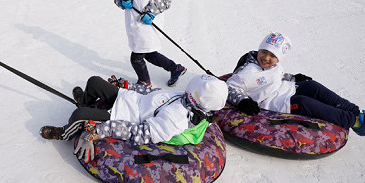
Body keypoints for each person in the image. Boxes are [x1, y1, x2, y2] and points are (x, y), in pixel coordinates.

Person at [226, 32, 365, 135]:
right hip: (274, 102)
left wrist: (294, 78)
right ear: (259, 49)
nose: (267, 58)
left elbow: (277, 75)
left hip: (285, 89)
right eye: (264, 52)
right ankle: (355, 122)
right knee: (303, 103)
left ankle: (360, 114)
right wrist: (243, 101)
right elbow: (231, 86)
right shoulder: (247, 72)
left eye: (273, 56)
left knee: (312, 86)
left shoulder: (273, 65)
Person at [40, 74, 228, 162]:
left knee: (80, 116)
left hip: (125, 116)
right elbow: (154, 93)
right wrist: (127, 86)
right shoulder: (185, 97)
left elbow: (141, 133)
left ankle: (64, 133)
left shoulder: (177, 119)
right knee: (94, 82)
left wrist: (100, 130)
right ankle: (86, 102)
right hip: (130, 100)